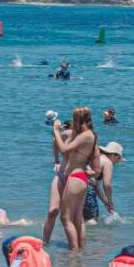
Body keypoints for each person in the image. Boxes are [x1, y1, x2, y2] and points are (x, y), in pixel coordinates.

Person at [45, 106, 97, 252]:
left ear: (80, 119)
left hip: (76, 176)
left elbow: (64, 149)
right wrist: (56, 160)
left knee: (67, 218)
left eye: (75, 119)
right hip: (74, 176)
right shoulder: (82, 135)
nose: (73, 121)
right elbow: (57, 144)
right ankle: (80, 251)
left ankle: (74, 251)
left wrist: (56, 130)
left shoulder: (86, 136)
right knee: (75, 218)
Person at [86, 141, 124, 222]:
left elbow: (95, 185)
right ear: (113, 155)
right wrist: (110, 201)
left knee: (80, 218)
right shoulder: (108, 162)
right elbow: (107, 185)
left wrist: (106, 203)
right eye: (118, 159)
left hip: (76, 182)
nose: (116, 163)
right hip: (87, 186)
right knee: (92, 220)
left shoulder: (97, 158)